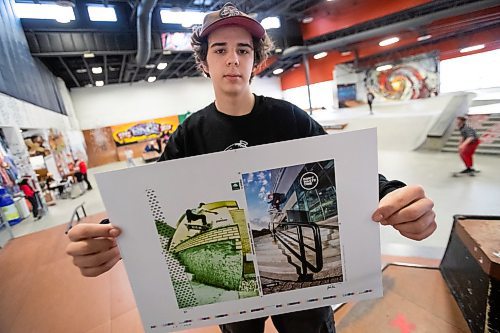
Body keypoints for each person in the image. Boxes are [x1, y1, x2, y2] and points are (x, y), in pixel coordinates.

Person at [65, 3, 437, 333]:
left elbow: (343, 172)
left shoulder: (290, 119)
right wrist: (109, 236)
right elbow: (150, 204)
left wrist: (391, 195)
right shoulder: (190, 134)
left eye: (243, 50)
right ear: (204, 62)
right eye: (220, 50)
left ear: (255, 60)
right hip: (234, 282)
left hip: (305, 294)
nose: (232, 59)